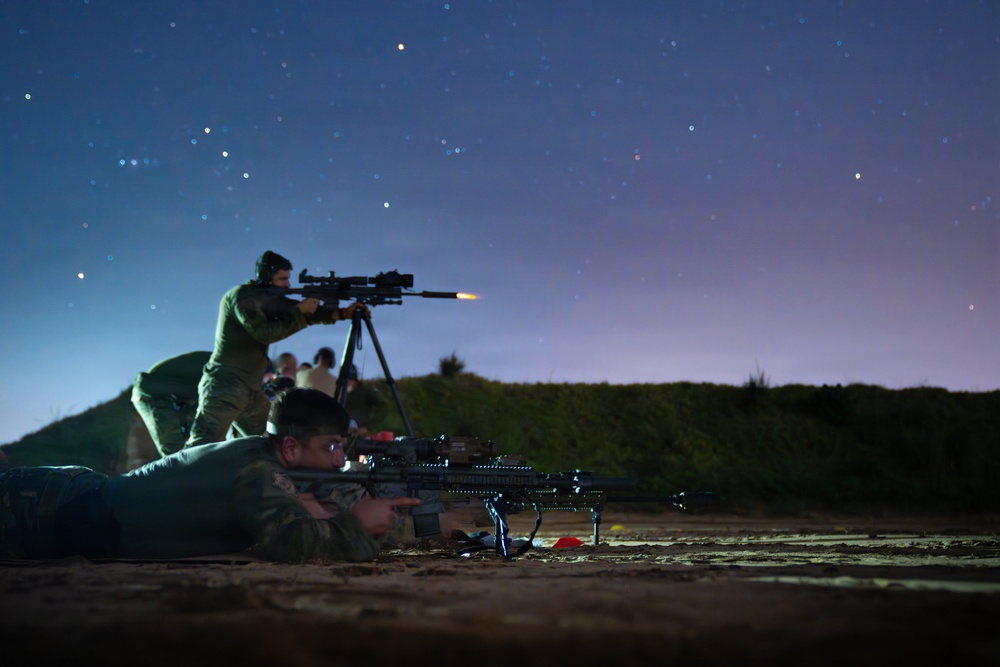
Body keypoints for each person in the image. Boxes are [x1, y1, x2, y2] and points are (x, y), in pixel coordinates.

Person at [0, 388, 421, 562]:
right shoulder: (258, 469)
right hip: (51, 508)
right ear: (291, 447)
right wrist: (356, 525)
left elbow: (315, 511)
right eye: (330, 447)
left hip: (72, 499)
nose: (338, 459)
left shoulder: (269, 457)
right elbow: (293, 542)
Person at [187, 250, 367, 447]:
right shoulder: (243, 296)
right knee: (202, 446)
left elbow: (304, 313)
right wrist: (299, 310)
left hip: (250, 389)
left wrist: (342, 313)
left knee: (272, 444)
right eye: (282, 279)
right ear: (265, 276)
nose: (287, 284)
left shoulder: (265, 299)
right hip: (226, 383)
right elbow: (266, 333)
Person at [131, 351, 212, 457]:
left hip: (183, 398)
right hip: (152, 391)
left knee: (198, 446)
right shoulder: (226, 367)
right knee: (174, 450)